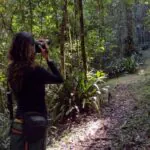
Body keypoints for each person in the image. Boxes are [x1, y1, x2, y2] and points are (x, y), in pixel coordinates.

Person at [7, 31, 64, 150]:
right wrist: (48, 58)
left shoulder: (11, 70)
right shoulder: (36, 70)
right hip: (36, 124)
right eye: (33, 45)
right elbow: (59, 79)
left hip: (19, 123)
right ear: (30, 49)